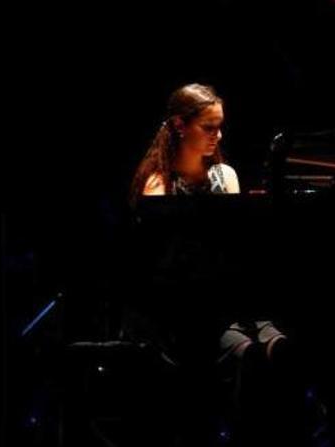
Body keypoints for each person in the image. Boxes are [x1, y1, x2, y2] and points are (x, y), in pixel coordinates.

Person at [127, 83, 319, 446]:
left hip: (227, 300)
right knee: (248, 356)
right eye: (209, 127)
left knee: (283, 349)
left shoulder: (225, 176)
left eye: (220, 126)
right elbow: (162, 269)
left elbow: (236, 246)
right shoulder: (159, 184)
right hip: (184, 312)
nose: (218, 135)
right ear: (180, 126)